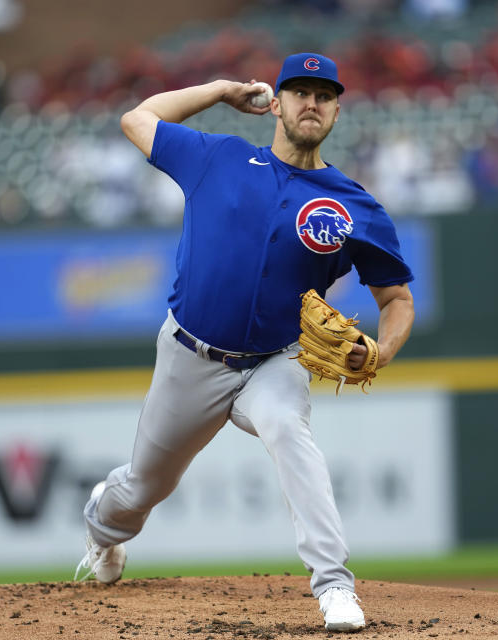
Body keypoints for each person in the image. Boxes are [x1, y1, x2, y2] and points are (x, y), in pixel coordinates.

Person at [73, 52, 415, 632]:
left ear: (336, 110)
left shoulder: (355, 204)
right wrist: (218, 90)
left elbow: (397, 300)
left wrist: (380, 351)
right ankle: (103, 532)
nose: (312, 102)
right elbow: (137, 119)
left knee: (288, 430)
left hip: (275, 362)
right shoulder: (219, 157)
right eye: (300, 91)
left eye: (324, 94)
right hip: (191, 353)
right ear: (275, 103)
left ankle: (335, 587)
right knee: (143, 487)